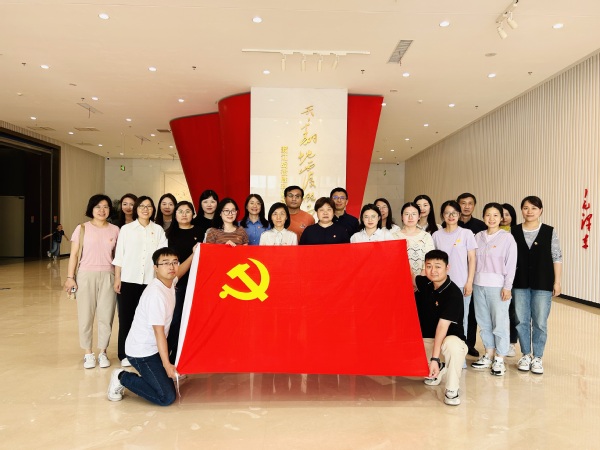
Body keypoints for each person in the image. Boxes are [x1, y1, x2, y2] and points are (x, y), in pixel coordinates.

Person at [107, 248, 179, 406]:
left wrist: (195, 254)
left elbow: (181, 271)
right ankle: (122, 377)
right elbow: (159, 332)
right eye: (165, 263)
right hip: (141, 352)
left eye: (174, 262)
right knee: (166, 397)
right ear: (155, 268)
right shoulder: (155, 295)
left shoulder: (169, 282)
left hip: (154, 349)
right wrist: (166, 365)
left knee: (167, 384)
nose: (171, 267)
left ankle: (157, 372)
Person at [64, 195, 120, 369]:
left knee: (106, 316)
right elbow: (74, 254)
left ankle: (103, 352)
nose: (102, 210)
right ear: (91, 209)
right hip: (86, 275)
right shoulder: (82, 228)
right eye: (98, 207)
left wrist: (118, 277)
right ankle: (88, 353)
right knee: (85, 316)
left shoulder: (115, 230)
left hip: (108, 275)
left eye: (105, 207)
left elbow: (118, 257)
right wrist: (70, 277)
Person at [113, 196, 167, 367]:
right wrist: (117, 278)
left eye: (149, 206)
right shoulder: (126, 229)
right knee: (126, 318)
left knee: (148, 320)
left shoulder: (158, 230)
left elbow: (162, 257)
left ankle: (147, 352)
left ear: (153, 210)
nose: (145, 209)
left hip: (150, 282)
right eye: (142, 206)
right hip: (128, 280)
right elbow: (119, 256)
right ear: (136, 209)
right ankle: (124, 354)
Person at [511, 196, 562, 375]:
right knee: (521, 320)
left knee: (540, 321)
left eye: (534, 208)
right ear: (521, 210)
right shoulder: (513, 231)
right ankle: (526, 355)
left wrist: (557, 281)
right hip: (519, 282)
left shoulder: (549, 231)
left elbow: (557, 257)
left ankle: (538, 357)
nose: (529, 211)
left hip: (543, 282)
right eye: (526, 208)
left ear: (541, 210)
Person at [415, 250, 468, 406]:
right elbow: (410, 275)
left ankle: (452, 389)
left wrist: (434, 358)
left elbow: (442, 328)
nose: (433, 271)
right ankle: (440, 366)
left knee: (452, 346)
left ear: (447, 267)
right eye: (429, 266)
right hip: (428, 340)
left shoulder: (453, 293)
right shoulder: (425, 283)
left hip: (448, 341)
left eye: (438, 266)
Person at [470, 203, 517, 376]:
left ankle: (500, 357)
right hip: (478, 284)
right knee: (483, 321)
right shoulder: (477, 237)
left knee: (500, 322)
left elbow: (511, 264)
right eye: (488, 215)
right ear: (483, 217)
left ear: (501, 218)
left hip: (497, 286)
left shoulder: (507, 238)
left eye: (495, 215)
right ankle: (489, 353)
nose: (491, 218)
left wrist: (507, 287)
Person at [432, 200, 477, 357]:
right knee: (440, 320)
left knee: (461, 320)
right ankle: (442, 354)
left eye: (454, 213)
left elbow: (472, 259)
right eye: (447, 213)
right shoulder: (436, 235)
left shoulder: (466, 233)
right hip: (441, 286)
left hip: (461, 285)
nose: (451, 216)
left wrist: (469, 281)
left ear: (459, 214)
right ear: (442, 215)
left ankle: (460, 357)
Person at [165, 201, 204, 363]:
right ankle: (169, 355)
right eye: (180, 211)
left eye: (187, 211)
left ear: (193, 214)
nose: (184, 214)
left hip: (197, 283)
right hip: (177, 283)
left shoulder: (200, 232)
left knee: (193, 321)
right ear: (175, 215)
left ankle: (185, 355)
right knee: (176, 320)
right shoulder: (169, 234)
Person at [456, 193, 487, 357]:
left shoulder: (481, 226)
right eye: (463, 203)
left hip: (474, 274)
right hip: (456, 273)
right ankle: (456, 342)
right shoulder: (451, 224)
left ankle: (470, 344)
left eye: (470, 203)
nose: (466, 206)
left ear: (474, 206)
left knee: (472, 311)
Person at [395, 202, 435, 285]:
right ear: (402, 217)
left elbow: (430, 260)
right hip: (400, 280)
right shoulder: (394, 236)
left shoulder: (426, 236)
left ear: (419, 216)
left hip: (423, 281)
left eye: (414, 214)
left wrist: (418, 282)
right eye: (407, 214)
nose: (410, 217)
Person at [501, 202, 519, 356]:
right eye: (501, 214)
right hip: (495, 278)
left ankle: (512, 343)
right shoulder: (489, 233)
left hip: (513, 278)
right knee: (499, 312)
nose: (504, 218)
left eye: (507, 214)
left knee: (512, 311)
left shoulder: (516, 232)